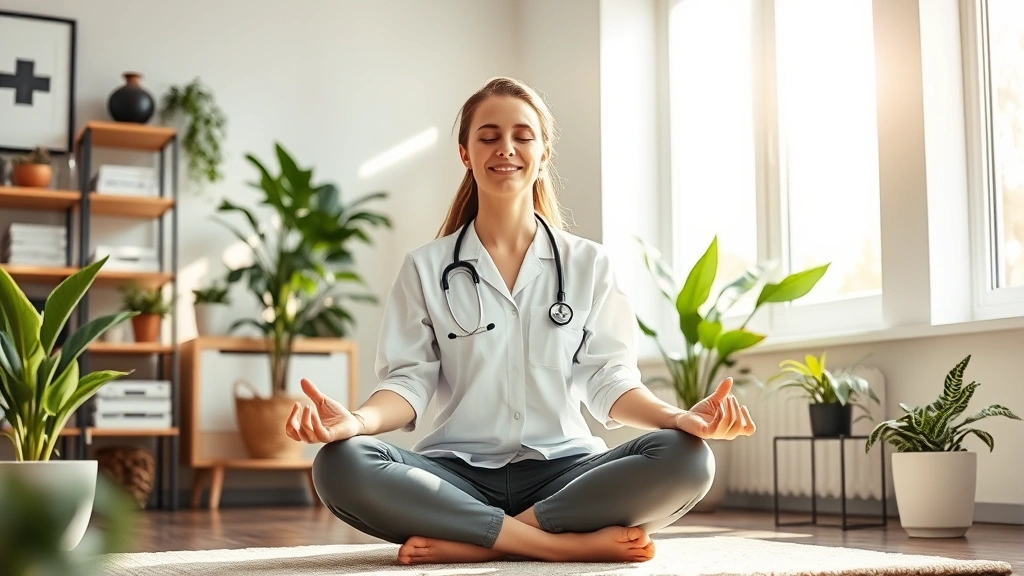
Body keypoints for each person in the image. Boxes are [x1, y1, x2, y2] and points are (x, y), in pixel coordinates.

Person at [285, 77, 756, 565]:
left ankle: (476, 540)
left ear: (544, 152)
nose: (505, 149)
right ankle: (549, 545)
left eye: (522, 136)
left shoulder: (588, 264)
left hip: (565, 473)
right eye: (488, 136)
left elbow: (608, 380)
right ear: (465, 153)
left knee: (687, 458)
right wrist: (356, 421)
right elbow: (409, 384)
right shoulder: (425, 267)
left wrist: (679, 418)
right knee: (341, 462)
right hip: (454, 476)